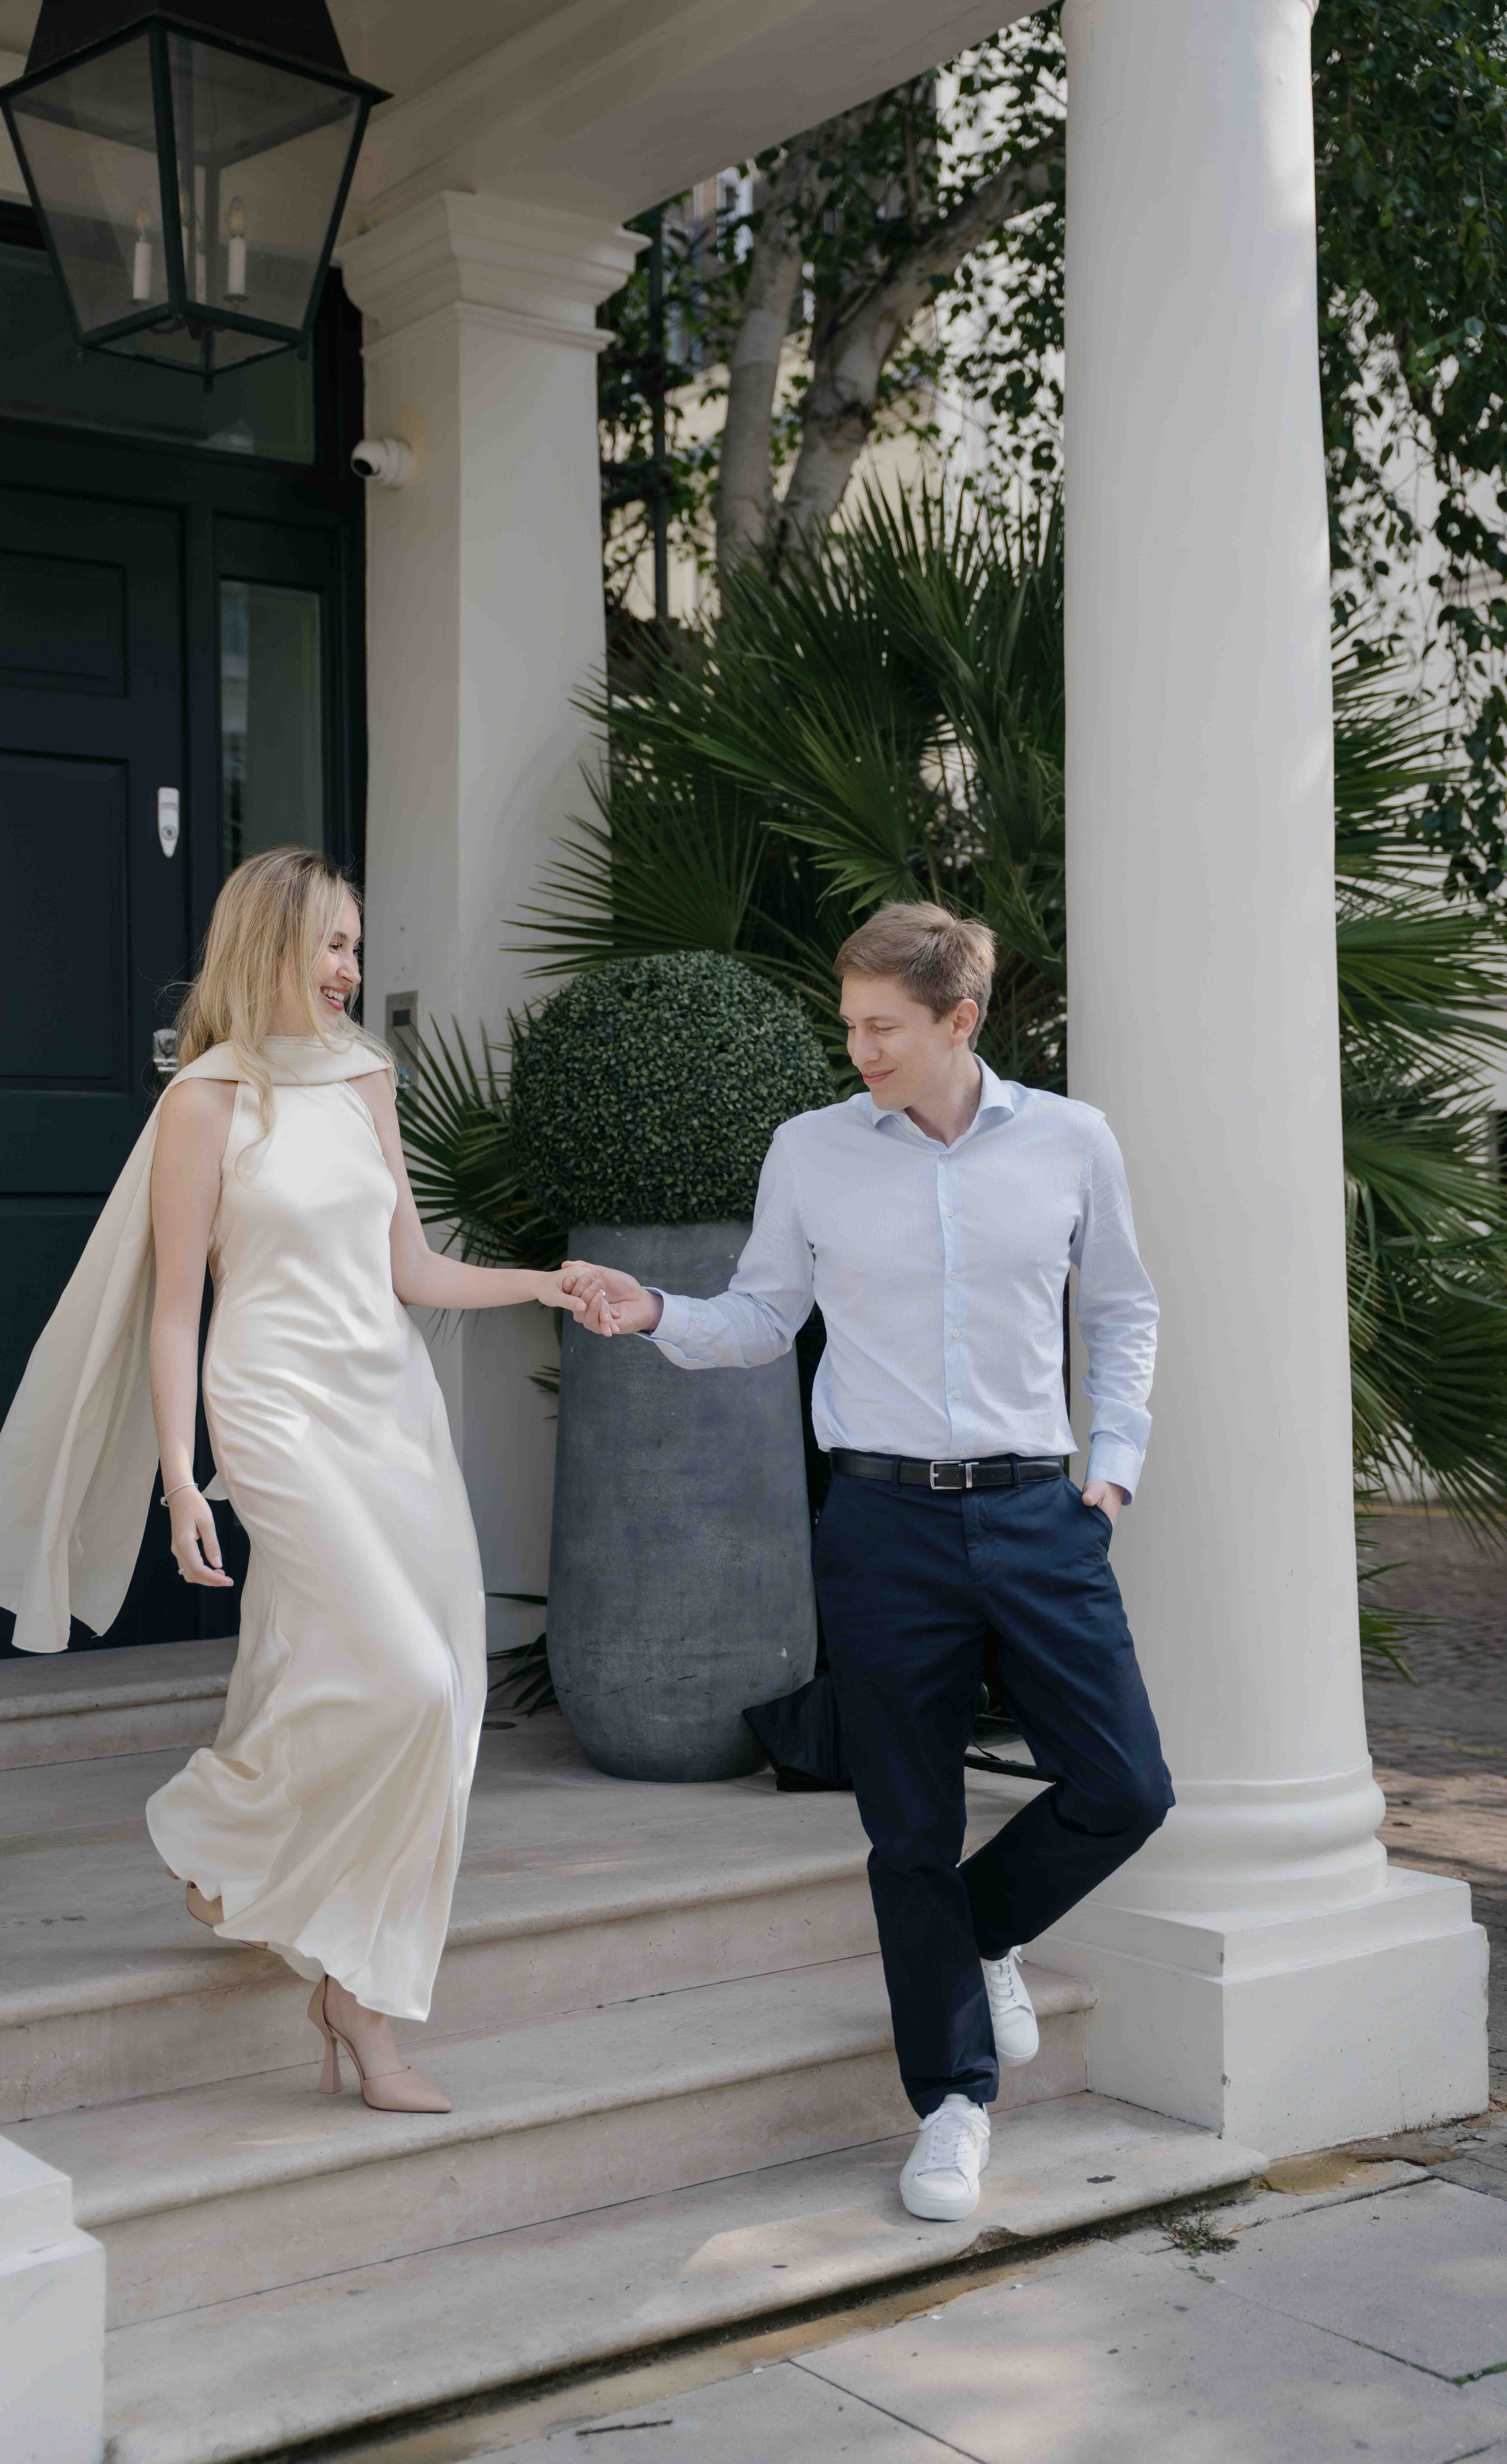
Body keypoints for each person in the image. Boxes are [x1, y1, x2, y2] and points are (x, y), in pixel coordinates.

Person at [0, 847, 613, 2114]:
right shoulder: (207, 1101)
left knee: (430, 1695)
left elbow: (410, 1268)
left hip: (390, 1411)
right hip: (273, 1410)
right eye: (328, 943)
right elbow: (173, 1310)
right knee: (411, 1679)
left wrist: (545, 1283)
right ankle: (222, 1831)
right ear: (266, 945)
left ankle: (356, 2000)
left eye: (355, 943)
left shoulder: (364, 1077)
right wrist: (181, 1476)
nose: (348, 967)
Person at [560, 902, 1172, 2223]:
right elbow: (762, 1316)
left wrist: (1111, 1472)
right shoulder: (811, 1151)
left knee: (1125, 1786)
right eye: (849, 1025)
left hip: (1037, 1513)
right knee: (908, 1828)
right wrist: (654, 1310)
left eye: (883, 1026)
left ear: (961, 1020)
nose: (860, 1050)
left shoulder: (1072, 1141)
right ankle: (952, 2106)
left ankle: (982, 1930)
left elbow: (1123, 1309)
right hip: (883, 1526)